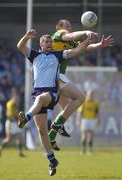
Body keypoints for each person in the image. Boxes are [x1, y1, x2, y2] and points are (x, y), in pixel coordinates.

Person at [16, 29, 93, 176]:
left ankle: (26, 117)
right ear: (41, 44)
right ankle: (52, 161)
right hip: (36, 93)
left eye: (51, 42)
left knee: (40, 99)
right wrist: (26, 36)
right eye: (47, 42)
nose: (50, 43)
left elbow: (76, 51)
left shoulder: (57, 55)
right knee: (42, 131)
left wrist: (87, 41)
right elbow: (20, 46)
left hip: (51, 93)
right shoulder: (34, 55)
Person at [47, 19, 114, 149]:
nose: (70, 26)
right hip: (55, 75)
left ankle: (53, 134)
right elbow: (71, 35)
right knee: (81, 98)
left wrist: (100, 45)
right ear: (59, 27)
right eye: (67, 24)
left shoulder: (68, 42)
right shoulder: (60, 34)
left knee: (67, 108)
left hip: (54, 77)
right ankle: (53, 129)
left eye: (70, 25)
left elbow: (85, 48)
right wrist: (86, 31)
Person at [0, 87, 25, 157]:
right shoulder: (10, 104)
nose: (17, 98)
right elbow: (11, 115)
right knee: (8, 139)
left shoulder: (15, 104)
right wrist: (19, 119)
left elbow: (16, 114)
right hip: (10, 122)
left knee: (19, 136)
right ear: (13, 96)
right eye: (16, 96)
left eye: (17, 96)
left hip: (15, 122)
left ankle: (20, 152)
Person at [77, 90, 100, 154]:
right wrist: (78, 120)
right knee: (84, 135)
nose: (91, 95)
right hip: (85, 120)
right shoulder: (84, 103)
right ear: (87, 94)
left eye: (92, 94)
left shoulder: (95, 103)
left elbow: (97, 112)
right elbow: (80, 112)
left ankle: (90, 151)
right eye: (90, 94)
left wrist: (98, 120)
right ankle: (83, 150)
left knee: (91, 135)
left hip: (92, 120)